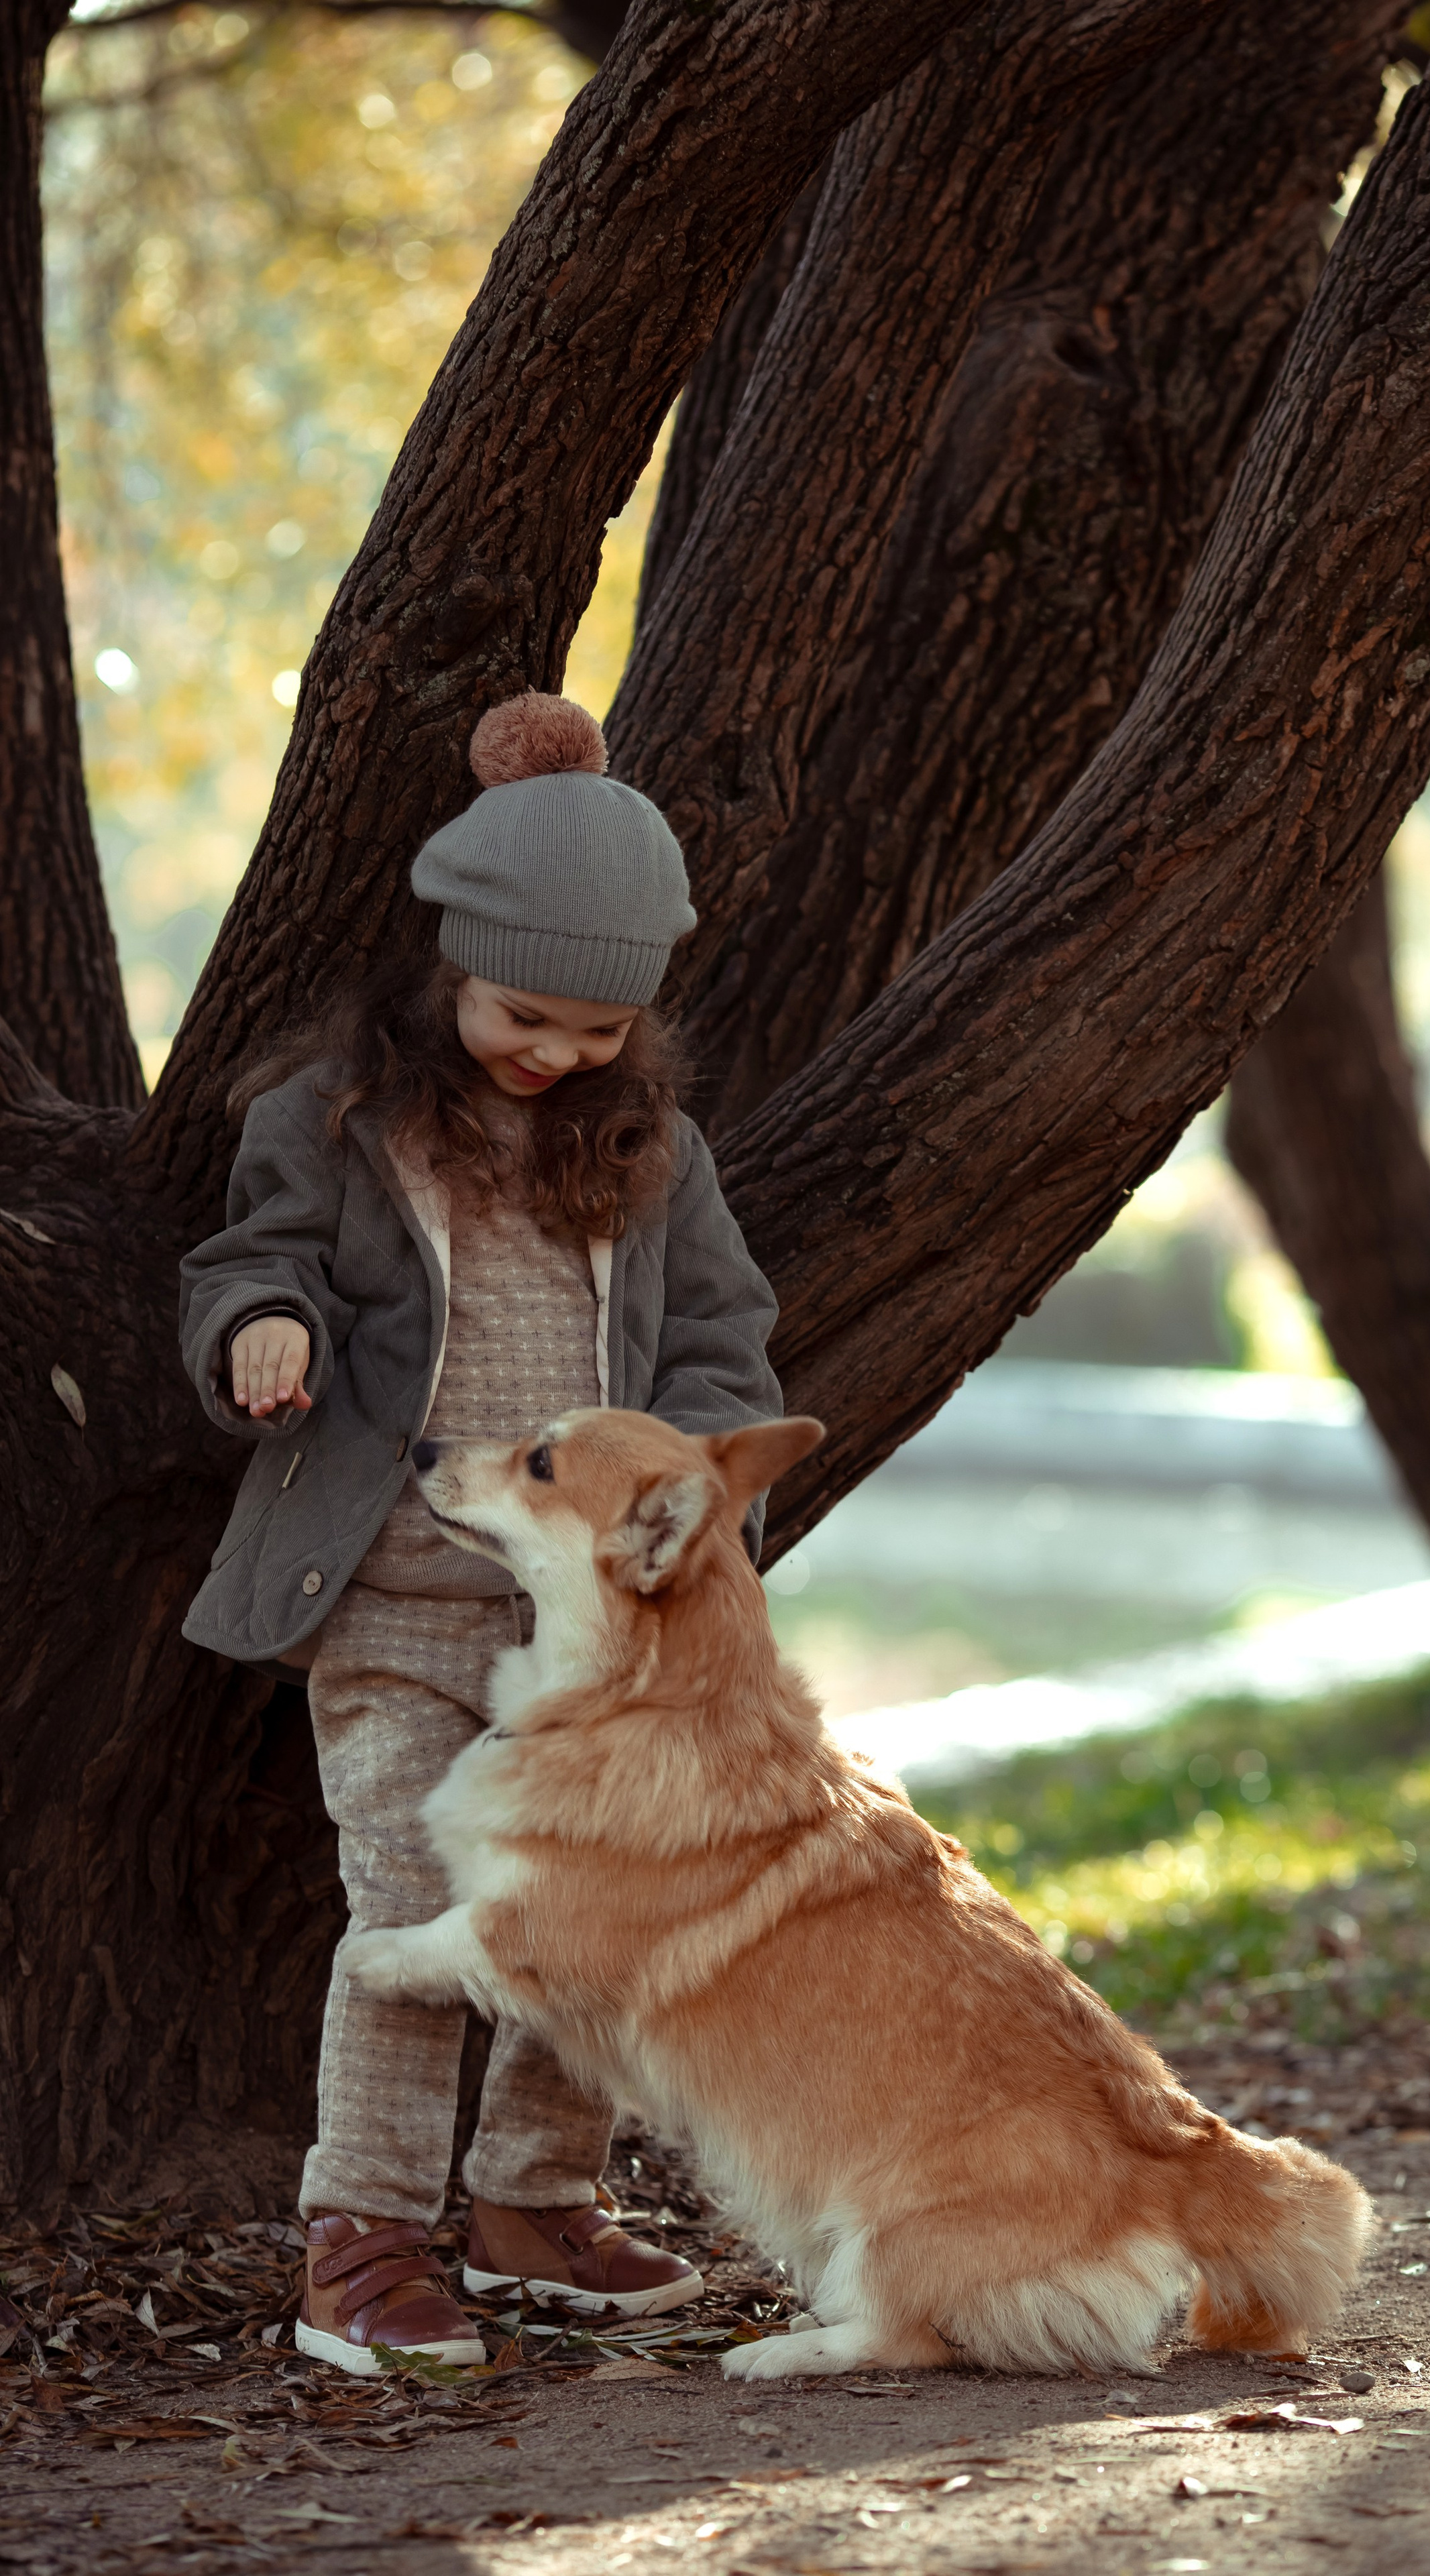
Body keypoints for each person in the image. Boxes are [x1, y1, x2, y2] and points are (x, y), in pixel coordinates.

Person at [180, 691, 782, 2375]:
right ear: (453, 959)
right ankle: (363, 2232)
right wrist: (261, 1329)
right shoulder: (333, 1121)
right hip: (390, 1596)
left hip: (587, 1633)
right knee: (408, 1900)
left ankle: (530, 2200)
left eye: (599, 1030)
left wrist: (694, 1499)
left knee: (592, 1903)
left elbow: (721, 1343)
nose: (556, 1054)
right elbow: (249, 1262)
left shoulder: (654, 1154)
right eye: (525, 1013)